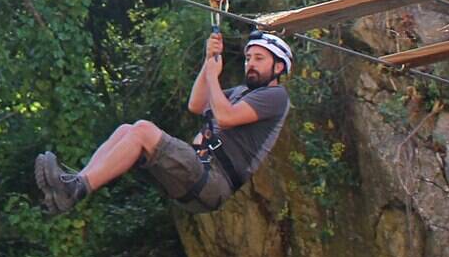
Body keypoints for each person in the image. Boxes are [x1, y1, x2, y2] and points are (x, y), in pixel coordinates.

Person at [33, 31, 293, 215]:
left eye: (259, 59)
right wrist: (208, 61)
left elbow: (225, 118)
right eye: (249, 58)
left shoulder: (276, 97)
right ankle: (75, 183)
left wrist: (214, 76)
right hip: (196, 171)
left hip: (214, 179)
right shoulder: (238, 93)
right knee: (127, 130)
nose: (250, 64)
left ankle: (76, 188)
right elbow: (196, 104)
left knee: (144, 130)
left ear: (279, 67)